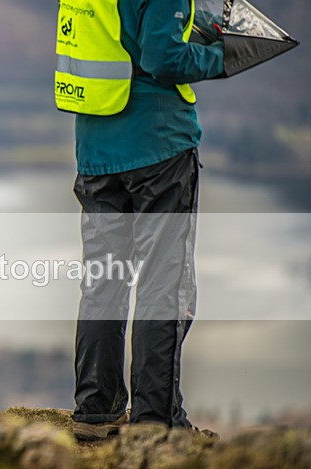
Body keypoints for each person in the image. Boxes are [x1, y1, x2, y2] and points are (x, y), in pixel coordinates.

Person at [54, 0, 225, 439]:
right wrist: (222, 56)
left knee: (103, 283)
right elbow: (164, 58)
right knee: (162, 283)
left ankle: (96, 410)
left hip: (95, 152)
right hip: (159, 147)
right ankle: (157, 422)